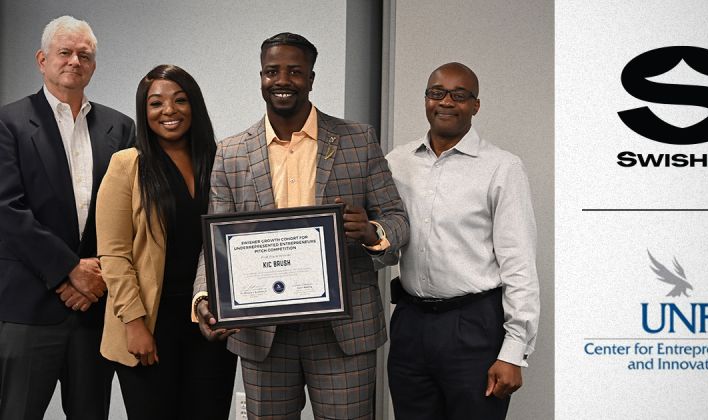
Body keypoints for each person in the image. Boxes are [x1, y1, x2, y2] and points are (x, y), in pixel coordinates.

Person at [192, 32, 408, 419]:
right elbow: (217, 245)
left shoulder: (358, 140)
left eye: (295, 71)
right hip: (264, 334)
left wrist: (372, 232)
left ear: (311, 77)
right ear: (261, 77)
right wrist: (205, 297)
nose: (282, 80)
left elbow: (398, 220)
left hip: (343, 330)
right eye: (272, 71)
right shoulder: (231, 152)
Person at [384, 62, 540, 420]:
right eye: (437, 93)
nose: (446, 102)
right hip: (410, 323)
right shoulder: (397, 162)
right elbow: (386, 246)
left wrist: (513, 351)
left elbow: (519, 264)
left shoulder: (502, 167)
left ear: (475, 105)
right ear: (426, 99)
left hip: (474, 327)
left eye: (459, 95)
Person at [0, 15, 134, 420]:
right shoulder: (8, 123)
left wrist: (94, 277)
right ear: (43, 59)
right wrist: (67, 271)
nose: (74, 61)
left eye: (85, 55)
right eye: (65, 52)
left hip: (96, 307)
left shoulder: (120, 126)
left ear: (93, 65)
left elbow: (128, 215)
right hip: (29, 308)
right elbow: (7, 209)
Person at [95, 64, 237, 419]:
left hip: (210, 322)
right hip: (151, 323)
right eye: (156, 103)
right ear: (144, 113)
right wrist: (134, 324)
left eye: (180, 100)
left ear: (195, 106)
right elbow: (114, 255)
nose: (169, 111)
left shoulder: (220, 162)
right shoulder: (127, 165)